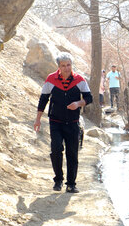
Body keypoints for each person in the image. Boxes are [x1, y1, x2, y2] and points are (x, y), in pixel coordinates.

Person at [34, 54, 93, 193]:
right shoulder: (51, 79)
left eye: (68, 65)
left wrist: (78, 103)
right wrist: (37, 119)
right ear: (58, 67)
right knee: (56, 149)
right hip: (55, 122)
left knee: (72, 153)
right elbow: (43, 100)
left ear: (71, 65)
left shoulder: (79, 80)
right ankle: (58, 180)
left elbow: (89, 98)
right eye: (63, 65)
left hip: (73, 122)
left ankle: (71, 184)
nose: (66, 68)